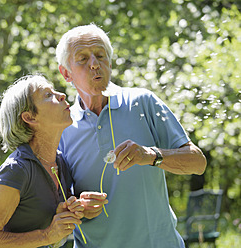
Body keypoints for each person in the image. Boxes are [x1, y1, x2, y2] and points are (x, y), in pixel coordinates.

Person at [56, 24, 207, 248]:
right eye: (83, 58)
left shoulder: (143, 102)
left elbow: (197, 162)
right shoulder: (61, 124)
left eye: (100, 55)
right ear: (66, 73)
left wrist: (150, 155)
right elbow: (56, 199)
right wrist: (77, 206)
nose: (95, 64)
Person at [0, 75, 86, 248]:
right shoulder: (16, 169)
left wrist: (81, 207)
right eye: (47, 95)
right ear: (30, 117)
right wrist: (47, 235)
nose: (61, 95)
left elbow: (53, 236)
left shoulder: (60, 162)